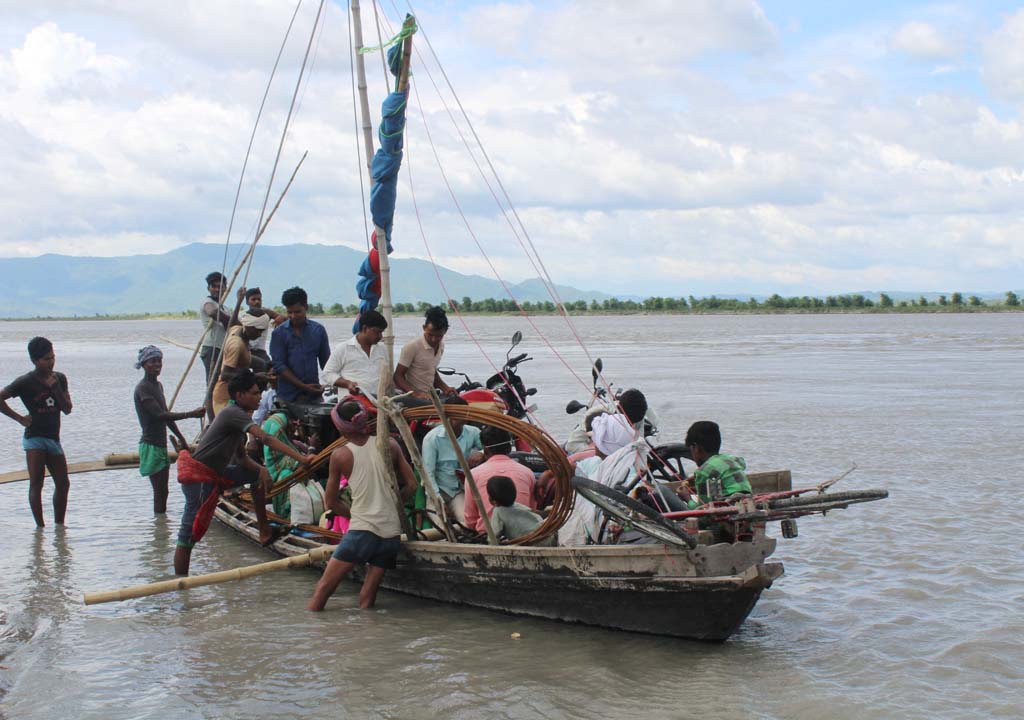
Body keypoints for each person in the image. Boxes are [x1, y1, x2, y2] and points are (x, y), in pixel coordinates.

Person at [173, 370, 312, 576]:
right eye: (255, 393)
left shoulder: (238, 417)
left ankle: (264, 531)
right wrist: (302, 459)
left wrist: (261, 470)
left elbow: (241, 458)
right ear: (240, 396)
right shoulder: (233, 414)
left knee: (255, 477)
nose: (259, 397)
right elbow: (265, 438)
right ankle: (180, 584)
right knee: (188, 534)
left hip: (217, 473)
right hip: (200, 476)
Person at [307, 400, 416, 611]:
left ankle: (318, 638)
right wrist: (392, 506)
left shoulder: (340, 455)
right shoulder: (390, 445)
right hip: (391, 532)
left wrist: (353, 515)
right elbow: (412, 485)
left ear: (339, 427)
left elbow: (330, 503)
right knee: (367, 600)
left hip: (362, 531)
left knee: (322, 590)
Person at [0, 337, 73, 528]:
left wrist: (55, 388)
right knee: (36, 484)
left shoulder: (60, 378)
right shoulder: (25, 382)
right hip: (34, 438)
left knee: (63, 483)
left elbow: (67, 409)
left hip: (53, 438)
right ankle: (40, 528)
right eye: (46, 359)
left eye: (53, 357)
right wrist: (19, 418)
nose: (51, 362)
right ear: (35, 360)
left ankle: (59, 526)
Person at [132, 345, 205, 514]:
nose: (157, 364)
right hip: (151, 446)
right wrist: (191, 414)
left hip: (160, 445)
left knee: (164, 491)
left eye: (159, 361)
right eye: (153, 361)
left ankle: (161, 528)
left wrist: (182, 439)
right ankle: (159, 528)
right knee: (160, 491)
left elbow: (167, 418)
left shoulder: (158, 386)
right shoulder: (142, 388)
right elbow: (160, 415)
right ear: (144, 364)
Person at [557, 412, 637, 546]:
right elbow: (575, 471)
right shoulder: (595, 462)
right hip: (591, 529)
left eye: (596, 439)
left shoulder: (627, 470)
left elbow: (633, 498)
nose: (594, 443)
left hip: (606, 531)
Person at [420, 396, 483, 526]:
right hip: (438, 490)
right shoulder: (432, 439)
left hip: (458, 490)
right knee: (440, 527)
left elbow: (489, 449)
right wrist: (438, 500)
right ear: (447, 416)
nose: (460, 418)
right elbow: (428, 473)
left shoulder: (473, 433)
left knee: (467, 522)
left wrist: (481, 454)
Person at [463, 426, 536, 534]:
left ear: (485, 450)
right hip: (523, 534)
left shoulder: (473, 475)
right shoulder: (527, 472)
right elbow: (531, 508)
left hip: (489, 535)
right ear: (509, 448)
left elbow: (471, 519)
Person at [270, 286, 330, 403]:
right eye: (289, 312)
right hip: (287, 395)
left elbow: (326, 363)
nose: (293, 316)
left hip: (313, 394)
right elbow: (279, 366)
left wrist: (333, 382)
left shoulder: (318, 330)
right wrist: (303, 386)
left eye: (297, 312)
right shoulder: (279, 333)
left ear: (306, 307)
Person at [678, 421, 752, 508]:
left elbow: (703, 512)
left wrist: (687, 499)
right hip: (748, 502)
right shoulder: (732, 459)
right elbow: (741, 464)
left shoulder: (703, 472)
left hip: (729, 511)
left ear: (696, 448)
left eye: (691, 450)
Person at [211, 312, 270, 415]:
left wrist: (239, 301)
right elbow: (225, 374)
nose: (259, 335)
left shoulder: (237, 328)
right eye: (258, 331)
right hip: (226, 397)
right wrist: (254, 376)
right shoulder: (236, 345)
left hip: (239, 395)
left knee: (261, 363)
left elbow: (231, 321)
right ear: (249, 327)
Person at [321, 310, 388, 399]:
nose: (380, 336)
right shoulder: (343, 348)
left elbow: (387, 374)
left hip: (378, 401)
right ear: (365, 328)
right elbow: (327, 374)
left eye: (382, 332)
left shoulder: (382, 349)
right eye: (377, 332)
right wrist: (347, 383)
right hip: (352, 402)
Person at [394, 305, 455, 400]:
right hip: (411, 397)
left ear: (445, 331)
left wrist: (445, 388)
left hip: (428, 395)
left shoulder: (441, 346)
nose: (434, 339)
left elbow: (431, 371)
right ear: (424, 328)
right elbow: (398, 376)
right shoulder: (412, 347)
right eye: (430, 334)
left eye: (439, 336)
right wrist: (416, 394)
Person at [487, 475, 554, 546]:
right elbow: (533, 514)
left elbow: (493, 537)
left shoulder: (498, 511)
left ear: (492, 500)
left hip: (533, 543)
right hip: (547, 538)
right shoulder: (518, 506)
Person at [242, 287, 284, 372]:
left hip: (260, 351)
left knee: (273, 370)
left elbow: (283, 318)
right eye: (253, 299)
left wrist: (278, 320)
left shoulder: (266, 312)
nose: (257, 302)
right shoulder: (243, 315)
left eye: (259, 299)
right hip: (246, 350)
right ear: (247, 302)